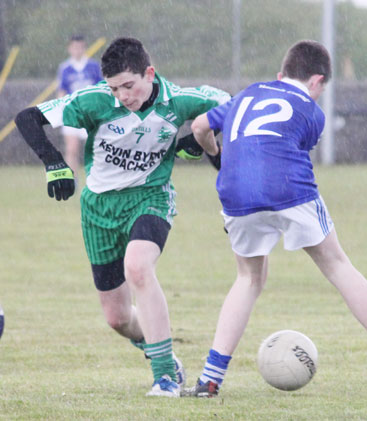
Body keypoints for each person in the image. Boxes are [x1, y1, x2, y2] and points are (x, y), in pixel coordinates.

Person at [184, 40, 367, 397]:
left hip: (235, 190)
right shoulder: (313, 112)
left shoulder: (249, 93)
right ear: (317, 81)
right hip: (288, 187)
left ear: (281, 75)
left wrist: (216, 155)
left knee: (249, 278)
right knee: (337, 266)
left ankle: (209, 380)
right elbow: (290, 146)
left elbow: (200, 127)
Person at [15, 37, 230, 398]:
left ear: (150, 73)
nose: (123, 96)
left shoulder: (178, 101)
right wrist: (55, 164)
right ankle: (162, 351)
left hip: (150, 198)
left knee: (139, 268)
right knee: (117, 318)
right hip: (98, 210)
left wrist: (203, 134)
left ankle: (164, 377)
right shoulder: (96, 99)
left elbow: (236, 106)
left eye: (129, 86)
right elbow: (28, 118)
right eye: (115, 88)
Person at [57, 35, 103, 181]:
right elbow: (62, 91)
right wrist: (61, 109)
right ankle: (71, 180)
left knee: (97, 149)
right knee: (71, 149)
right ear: (69, 49)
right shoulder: (65, 68)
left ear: (84, 48)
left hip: (90, 115)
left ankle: (98, 180)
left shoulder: (93, 66)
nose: (77, 50)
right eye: (74, 47)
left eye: (80, 47)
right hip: (73, 114)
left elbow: (101, 88)